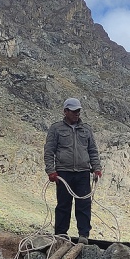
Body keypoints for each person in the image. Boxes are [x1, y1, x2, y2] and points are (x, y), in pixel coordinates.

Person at [43, 98, 102, 243]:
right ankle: (61, 235)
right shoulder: (56, 129)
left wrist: (97, 168)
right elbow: (49, 150)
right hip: (63, 173)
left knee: (84, 204)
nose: (77, 113)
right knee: (63, 204)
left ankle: (83, 235)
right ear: (65, 111)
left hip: (83, 173)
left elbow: (92, 150)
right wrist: (51, 171)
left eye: (78, 111)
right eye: (74, 111)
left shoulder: (86, 129)